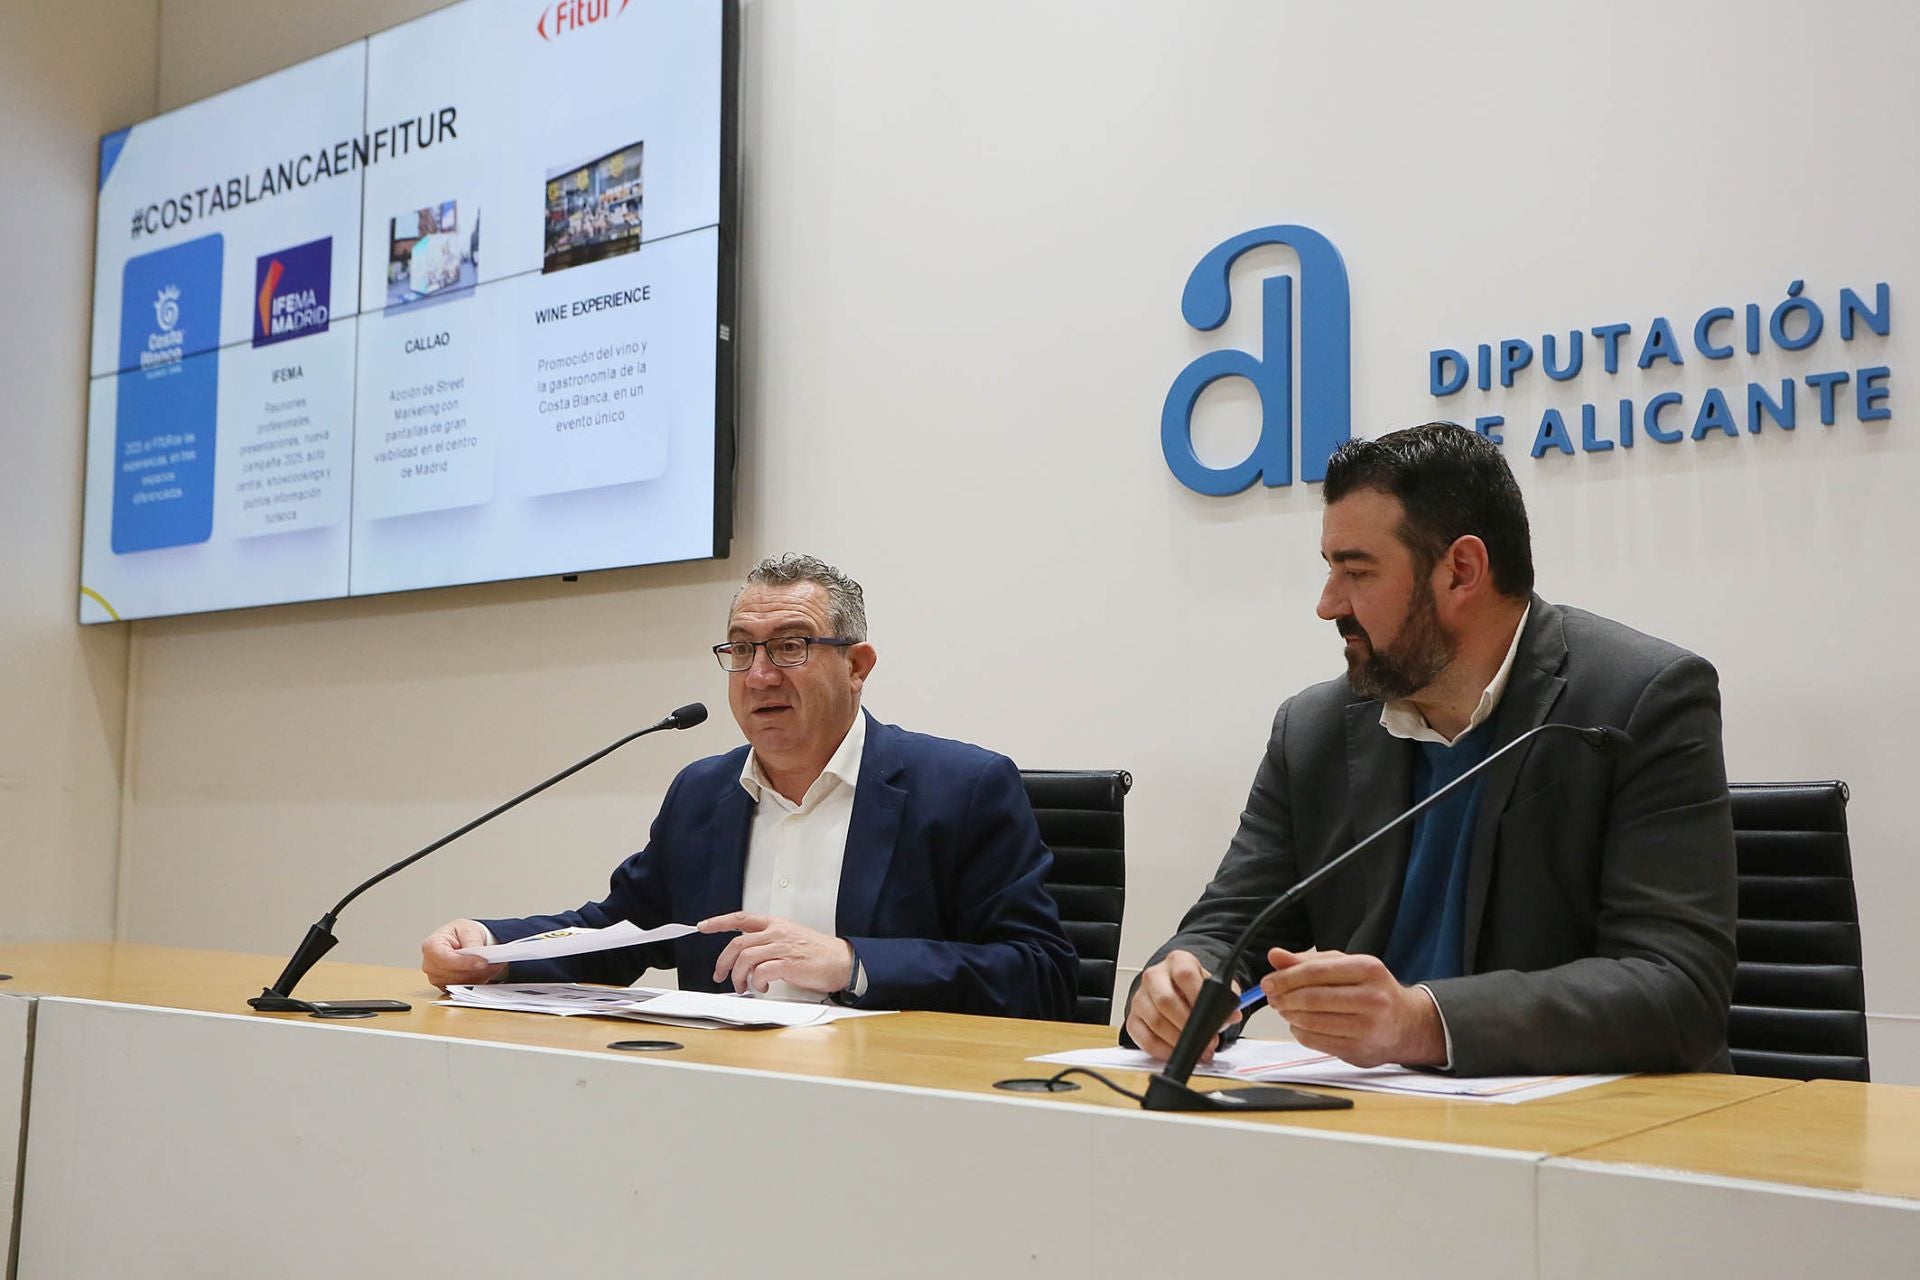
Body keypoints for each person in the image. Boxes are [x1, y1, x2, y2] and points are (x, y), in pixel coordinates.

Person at [1125, 423, 1737, 1076]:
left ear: (1462, 570)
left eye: (1356, 571)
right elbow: (1225, 928)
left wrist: (1422, 1021)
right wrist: (1176, 987)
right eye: (1330, 570)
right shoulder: (1314, 730)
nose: (1328, 605)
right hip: (1381, 1129)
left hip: (1589, 1135)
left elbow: (1677, 987)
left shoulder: (1638, 701)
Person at [421, 553, 1076, 1020]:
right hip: (718, 1100)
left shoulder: (962, 789)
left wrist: (851, 963)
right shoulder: (703, 795)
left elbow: (1041, 978)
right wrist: (494, 949)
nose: (759, 675)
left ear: (857, 666)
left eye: (790, 646)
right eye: (741, 649)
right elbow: (619, 933)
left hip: (890, 1106)